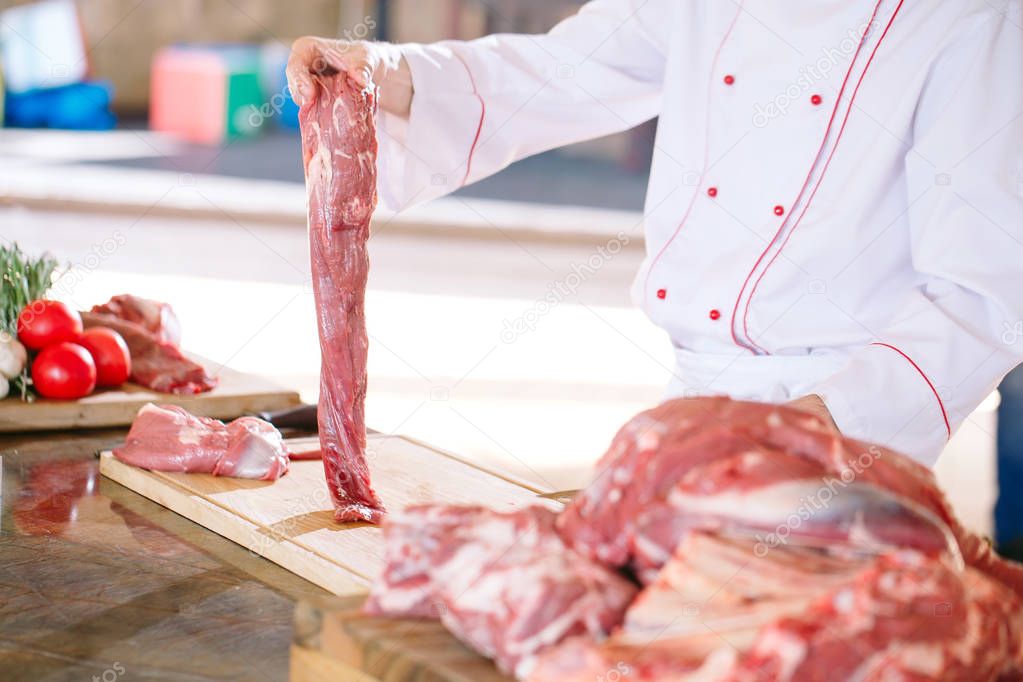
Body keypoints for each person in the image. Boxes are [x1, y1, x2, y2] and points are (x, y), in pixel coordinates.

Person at [288, 0, 1023, 466]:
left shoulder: (972, 22)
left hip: (843, 428)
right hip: (687, 403)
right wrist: (385, 70)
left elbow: (983, 292)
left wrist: (825, 424)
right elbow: (564, 69)